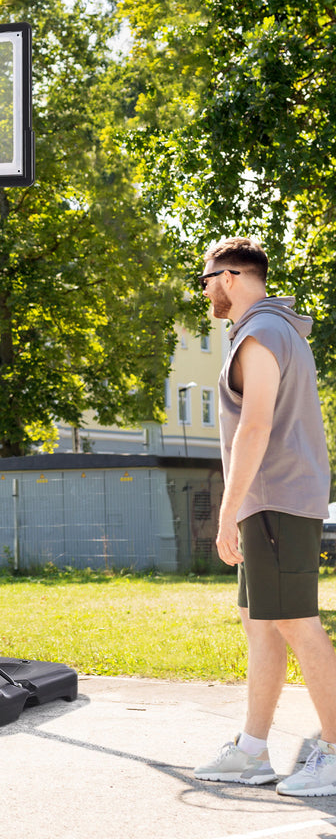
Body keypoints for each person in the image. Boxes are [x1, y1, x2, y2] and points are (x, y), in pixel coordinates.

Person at [193, 237, 336, 797]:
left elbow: (255, 427)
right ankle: (252, 750)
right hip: (270, 501)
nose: (203, 291)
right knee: (263, 626)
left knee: (298, 624)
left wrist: (226, 513)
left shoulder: (260, 333)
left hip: (274, 499)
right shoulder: (282, 331)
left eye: (204, 280)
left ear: (228, 277)